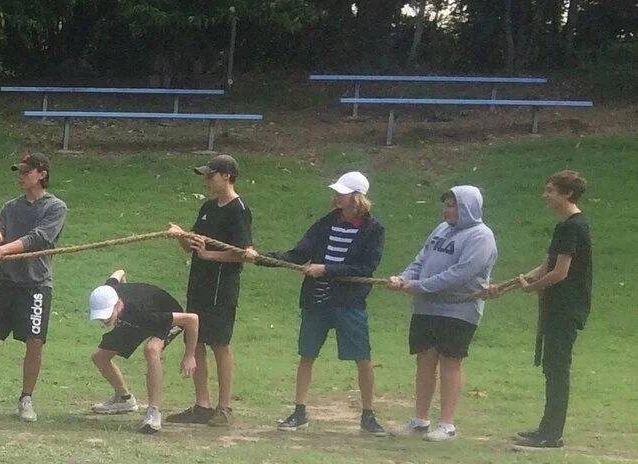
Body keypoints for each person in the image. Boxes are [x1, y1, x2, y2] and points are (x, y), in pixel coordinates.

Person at [264, 170, 387, 435]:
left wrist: (327, 269)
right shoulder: (326, 223)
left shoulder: (373, 229)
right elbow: (299, 254)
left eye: (342, 193)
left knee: (362, 358)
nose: (336, 197)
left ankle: (368, 414)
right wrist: (261, 258)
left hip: (349, 302)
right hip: (316, 298)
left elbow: (366, 268)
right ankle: (299, 412)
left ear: (356, 197)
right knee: (307, 355)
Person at [384, 185, 496, 442]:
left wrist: (419, 286)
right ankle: (420, 420)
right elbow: (421, 259)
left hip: (458, 310)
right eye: (446, 205)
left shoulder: (481, 236)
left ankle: (447, 425)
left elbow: (460, 274)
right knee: (424, 358)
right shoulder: (441, 229)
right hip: (426, 307)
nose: (447, 210)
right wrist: (402, 278)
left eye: (453, 205)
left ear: (468, 207)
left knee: (450, 361)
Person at [507, 170, 590, 452]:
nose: (545, 195)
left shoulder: (572, 228)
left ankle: (551, 435)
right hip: (557, 308)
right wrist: (522, 279)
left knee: (557, 369)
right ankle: (546, 429)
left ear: (567, 194)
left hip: (565, 309)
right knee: (552, 368)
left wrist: (532, 287)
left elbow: (559, 273)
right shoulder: (565, 226)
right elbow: (547, 265)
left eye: (551, 191)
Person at [167, 154, 252, 427]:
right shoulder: (208, 207)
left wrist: (209, 255)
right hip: (199, 284)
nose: (207, 181)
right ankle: (202, 405)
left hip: (221, 288)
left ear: (227, 176)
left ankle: (224, 407)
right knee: (196, 341)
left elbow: (242, 253)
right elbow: (193, 245)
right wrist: (181, 236)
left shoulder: (239, 210)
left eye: (211, 175)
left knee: (220, 343)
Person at [0, 152, 64, 424]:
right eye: (20, 171)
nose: (21, 176)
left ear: (42, 174)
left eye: (27, 171)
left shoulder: (56, 207)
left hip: (36, 284)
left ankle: (26, 398)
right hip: (6, 282)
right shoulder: (10, 207)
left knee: (34, 341)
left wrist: (3, 250)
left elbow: (38, 238)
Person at [84, 269, 201, 434]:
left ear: (117, 304)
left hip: (163, 319)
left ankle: (153, 411)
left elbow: (192, 319)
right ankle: (124, 399)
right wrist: (125, 282)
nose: (104, 321)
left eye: (107, 315)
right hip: (131, 319)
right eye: (101, 317)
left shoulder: (144, 311)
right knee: (99, 357)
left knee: (151, 349)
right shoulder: (108, 290)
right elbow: (119, 272)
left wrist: (189, 355)